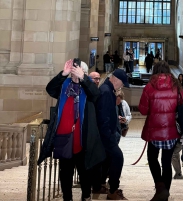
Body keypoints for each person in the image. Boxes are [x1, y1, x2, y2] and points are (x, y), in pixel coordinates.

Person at [37, 59, 106, 201]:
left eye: (78, 70)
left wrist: (84, 78)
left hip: (82, 138)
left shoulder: (88, 87)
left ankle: (86, 196)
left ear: (84, 72)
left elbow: (95, 95)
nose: (75, 73)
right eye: (73, 71)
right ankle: (67, 198)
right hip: (64, 137)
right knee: (65, 173)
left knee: (84, 172)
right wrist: (63, 74)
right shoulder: (65, 85)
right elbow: (50, 89)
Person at [139, 61, 183, 201]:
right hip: (171, 131)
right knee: (166, 162)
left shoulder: (149, 87)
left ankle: (160, 187)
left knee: (152, 158)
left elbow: (143, 110)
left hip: (154, 130)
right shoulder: (177, 87)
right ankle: (165, 193)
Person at [96, 69, 129, 200]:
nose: (121, 86)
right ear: (115, 79)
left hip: (106, 135)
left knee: (108, 160)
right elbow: (103, 116)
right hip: (105, 136)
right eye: (121, 83)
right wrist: (109, 135)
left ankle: (102, 185)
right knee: (118, 157)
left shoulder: (107, 90)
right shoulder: (105, 91)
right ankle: (113, 190)